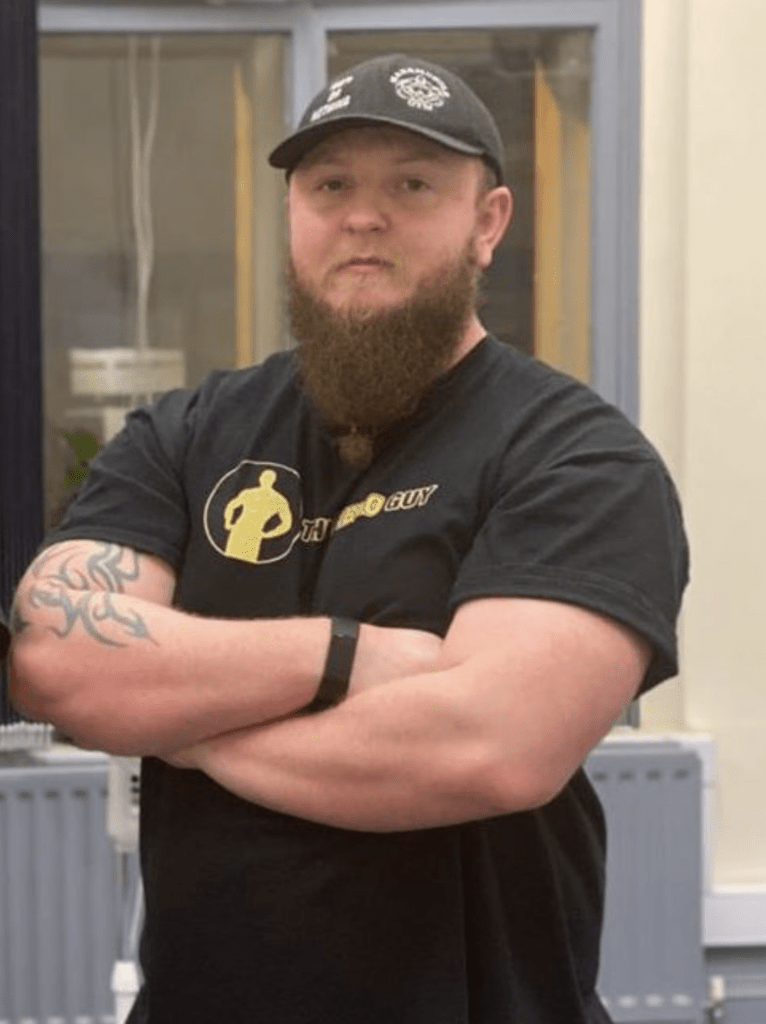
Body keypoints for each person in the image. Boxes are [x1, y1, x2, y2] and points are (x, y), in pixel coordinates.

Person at [9, 53, 688, 1024]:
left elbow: (487, 748)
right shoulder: (187, 433)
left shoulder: (575, 457)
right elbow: (54, 661)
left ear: (487, 222)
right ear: (293, 215)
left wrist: (179, 721)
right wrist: (347, 656)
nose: (363, 216)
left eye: (411, 183)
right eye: (331, 185)